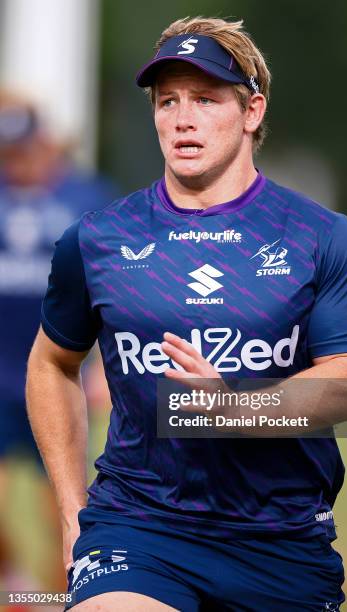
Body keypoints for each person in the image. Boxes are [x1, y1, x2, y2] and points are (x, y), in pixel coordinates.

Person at [26, 17, 347, 611]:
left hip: (281, 541)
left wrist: (235, 407)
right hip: (138, 527)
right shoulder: (97, 239)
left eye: (205, 99)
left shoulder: (320, 237)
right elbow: (52, 364)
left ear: (251, 112)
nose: (182, 118)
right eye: (167, 101)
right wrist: (71, 508)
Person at [0, 90, 116, 596]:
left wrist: (104, 368)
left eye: (23, 150)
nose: (16, 163)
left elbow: (118, 290)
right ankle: (14, 578)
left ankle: (58, 600)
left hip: (58, 371)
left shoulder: (87, 200)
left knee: (64, 511)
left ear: (44, 141)